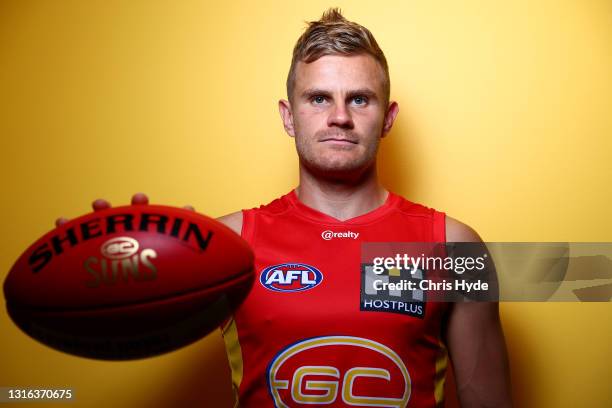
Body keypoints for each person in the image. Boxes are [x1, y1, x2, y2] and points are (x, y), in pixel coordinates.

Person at [57, 8, 511, 407]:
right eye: (318, 98)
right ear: (288, 116)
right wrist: (94, 264)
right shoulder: (227, 245)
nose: (339, 116)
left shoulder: (452, 246)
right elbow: (120, 316)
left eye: (359, 98)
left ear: (388, 117)